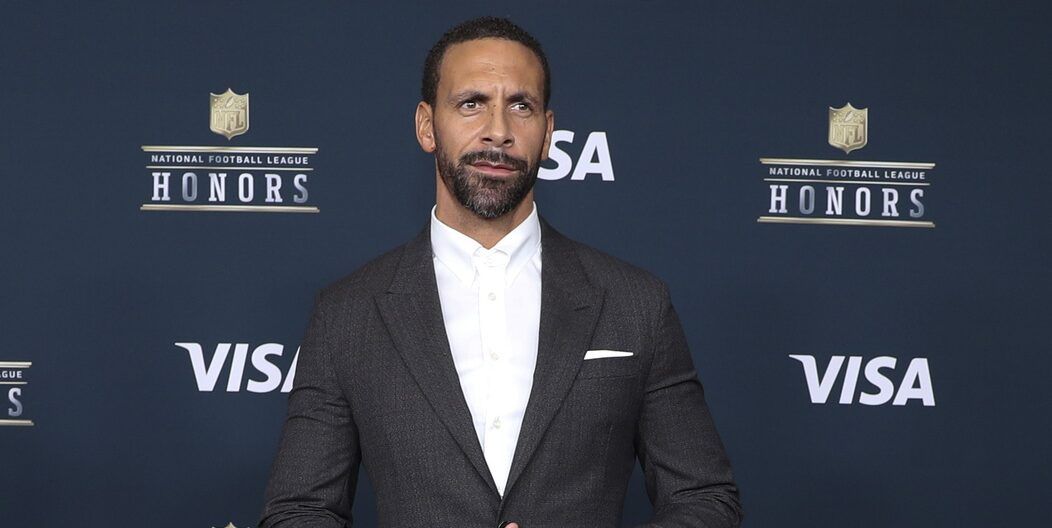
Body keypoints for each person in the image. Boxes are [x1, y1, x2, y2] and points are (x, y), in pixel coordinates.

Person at [260, 16, 742, 528]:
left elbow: (705, 499)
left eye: (520, 106)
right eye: (471, 103)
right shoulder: (347, 314)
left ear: (548, 133)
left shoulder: (635, 303)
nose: (499, 131)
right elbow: (298, 511)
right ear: (426, 126)